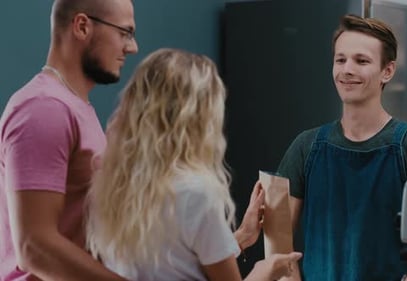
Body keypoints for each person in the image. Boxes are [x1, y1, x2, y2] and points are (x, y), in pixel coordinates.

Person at [85, 48, 302, 281]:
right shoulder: (197, 192)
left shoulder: (112, 185)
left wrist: (242, 236)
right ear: (199, 117)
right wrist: (265, 272)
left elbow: (175, 260)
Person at [276, 14, 407, 281]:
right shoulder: (305, 147)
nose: (347, 69)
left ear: (387, 71)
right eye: (340, 59)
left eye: (362, 61)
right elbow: (277, 241)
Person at [0, 0, 140, 280]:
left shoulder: (72, 106)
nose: (132, 47)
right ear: (82, 26)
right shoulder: (44, 108)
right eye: (124, 33)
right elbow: (34, 247)